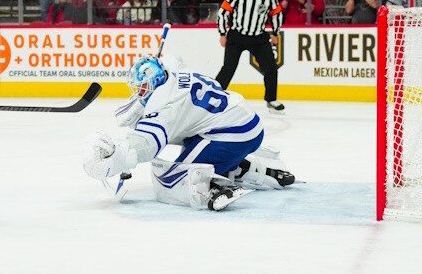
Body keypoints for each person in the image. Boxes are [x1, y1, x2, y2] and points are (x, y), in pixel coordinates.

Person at [82, 55, 295, 211]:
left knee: (173, 180)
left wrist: (119, 154)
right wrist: (142, 105)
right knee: (190, 141)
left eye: (143, 88)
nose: (139, 93)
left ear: (155, 83)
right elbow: (174, 60)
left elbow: (148, 144)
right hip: (247, 124)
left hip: (231, 134)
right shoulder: (176, 73)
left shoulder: (166, 107)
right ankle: (244, 167)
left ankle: (213, 187)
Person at [215, 0, 285, 113]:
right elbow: (223, 12)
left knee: (271, 68)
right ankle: (215, 96)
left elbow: (277, 14)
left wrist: (275, 33)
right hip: (237, 36)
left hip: (258, 38)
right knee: (228, 67)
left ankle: (271, 99)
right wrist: (222, 33)